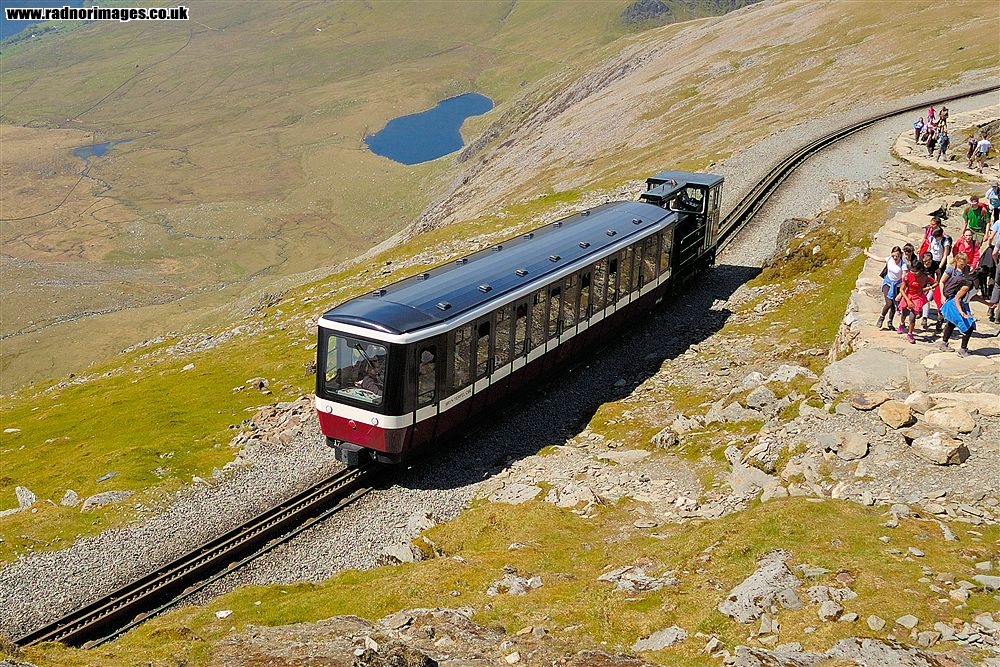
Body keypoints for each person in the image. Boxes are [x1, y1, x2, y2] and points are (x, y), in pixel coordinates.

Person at [938, 253, 977, 356]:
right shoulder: (950, 269)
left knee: (951, 323)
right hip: (952, 299)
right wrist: (942, 295)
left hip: (959, 300)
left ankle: (944, 343)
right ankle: (962, 349)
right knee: (967, 325)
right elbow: (941, 282)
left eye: (964, 264)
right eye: (961, 264)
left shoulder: (965, 270)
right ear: (957, 260)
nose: (963, 266)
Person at [865, 245, 907, 330]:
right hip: (887, 284)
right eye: (893, 256)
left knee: (894, 305)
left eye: (897, 256)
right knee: (889, 303)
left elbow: (904, 278)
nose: (895, 258)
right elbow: (878, 258)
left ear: (901, 255)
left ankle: (890, 322)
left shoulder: (903, 265)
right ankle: (881, 317)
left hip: (897, 286)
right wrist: (867, 253)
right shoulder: (889, 259)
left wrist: (901, 291)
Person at [897, 260, 932, 343]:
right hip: (908, 295)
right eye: (911, 270)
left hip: (917, 297)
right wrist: (907, 300)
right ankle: (902, 324)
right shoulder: (908, 276)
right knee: (904, 312)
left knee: (912, 317)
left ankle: (910, 333)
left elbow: (935, 282)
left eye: (915, 271)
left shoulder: (925, 277)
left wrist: (928, 288)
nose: (913, 273)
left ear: (920, 270)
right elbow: (902, 289)